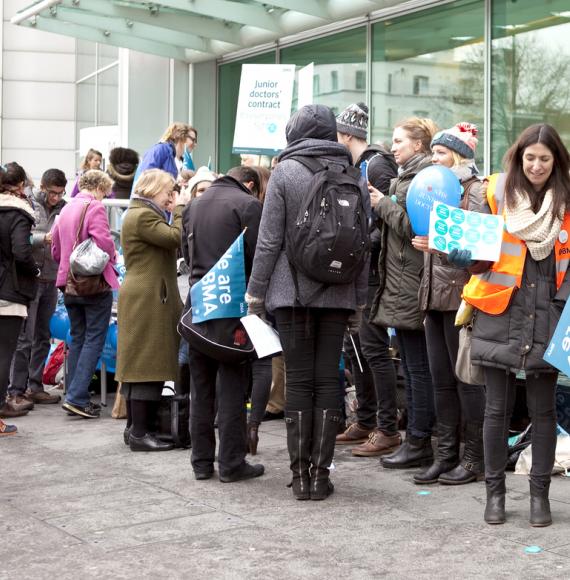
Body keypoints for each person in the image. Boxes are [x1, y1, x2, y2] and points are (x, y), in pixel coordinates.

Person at [246, 104, 368, 500]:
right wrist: (359, 301)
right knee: (327, 379)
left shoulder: (286, 171)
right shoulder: (355, 175)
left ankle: (299, 478)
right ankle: (321, 475)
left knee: (298, 379)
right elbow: (364, 246)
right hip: (338, 293)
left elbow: (269, 240)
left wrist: (256, 293)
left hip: (290, 292)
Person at [459, 123, 570, 527]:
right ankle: (495, 495)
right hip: (500, 313)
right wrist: (460, 257)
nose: (537, 165)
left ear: (556, 160)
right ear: (518, 158)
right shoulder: (495, 193)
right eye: (530, 158)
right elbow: (480, 257)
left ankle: (539, 497)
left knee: (543, 413)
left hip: (549, 319)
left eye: (545, 158)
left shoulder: (568, 202)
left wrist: (560, 311)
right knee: (496, 410)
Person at [410, 123, 486, 485]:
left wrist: (436, 246)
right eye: (434, 152)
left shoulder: (473, 191)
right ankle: (445, 455)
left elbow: (476, 250)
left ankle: (474, 459)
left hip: (461, 298)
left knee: (465, 381)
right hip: (433, 297)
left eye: (440, 152)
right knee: (440, 380)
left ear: (459, 154)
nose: (433, 158)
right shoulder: (433, 188)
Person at [183, 167, 264, 482]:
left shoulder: (194, 205)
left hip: (199, 304)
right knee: (232, 386)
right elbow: (259, 257)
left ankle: (201, 462)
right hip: (233, 308)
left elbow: (186, 255)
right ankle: (231, 463)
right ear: (249, 184)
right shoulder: (247, 205)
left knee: (201, 389)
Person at [368, 117, 438, 470]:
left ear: (418, 145)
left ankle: (419, 440)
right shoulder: (406, 177)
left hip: (413, 283)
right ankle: (416, 438)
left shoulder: (424, 179)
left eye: (398, 141)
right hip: (401, 283)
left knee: (418, 369)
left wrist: (383, 204)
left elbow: (417, 228)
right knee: (411, 367)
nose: (392, 147)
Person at [334, 102, 401, 458]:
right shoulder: (359, 165)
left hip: (373, 272)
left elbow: (386, 221)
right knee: (355, 349)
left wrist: (356, 243)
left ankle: (386, 427)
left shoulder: (376, 165)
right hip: (361, 269)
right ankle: (366, 418)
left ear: (346, 135)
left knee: (373, 350)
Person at [116, 169, 186, 451]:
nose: (170, 196)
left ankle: (134, 429)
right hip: (149, 297)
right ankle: (140, 434)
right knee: (149, 364)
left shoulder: (136, 212)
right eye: (168, 191)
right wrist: (180, 208)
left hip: (144, 294)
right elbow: (175, 238)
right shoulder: (143, 215)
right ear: (154, 189)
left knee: (138, 364)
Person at [51, 170, 118, 419]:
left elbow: (56, 248)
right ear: (100, 187)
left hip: (67, 282)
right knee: (94, 339)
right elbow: (103, 242)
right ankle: (78, 397)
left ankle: (73, 393)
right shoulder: (95, 207)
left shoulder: (67, 207)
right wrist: (112, 256)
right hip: (92, 283)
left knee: (77, 337)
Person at [7, 169, 68, 411]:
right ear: (43, 187)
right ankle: (16, 390)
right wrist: (44, 238)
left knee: (43, 335)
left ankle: (36, 386)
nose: (56, 197)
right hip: (31, 279)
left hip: (51, 278)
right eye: (52, 192)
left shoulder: (65, 207)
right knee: (25, 337)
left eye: (60, 193)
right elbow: (23, 238)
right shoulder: (28, 205)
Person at [0, 162, 40, 428]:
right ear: (21, 185)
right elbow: (21, 252)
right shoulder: (19, 214)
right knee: (4, 354)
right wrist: (35, 270)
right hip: (9, 291)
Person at [132, 123, 194, 189]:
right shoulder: (162, 150)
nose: (193, 144)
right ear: (182, 138)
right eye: (192, 139)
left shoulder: (169, 153)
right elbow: (146, 177)